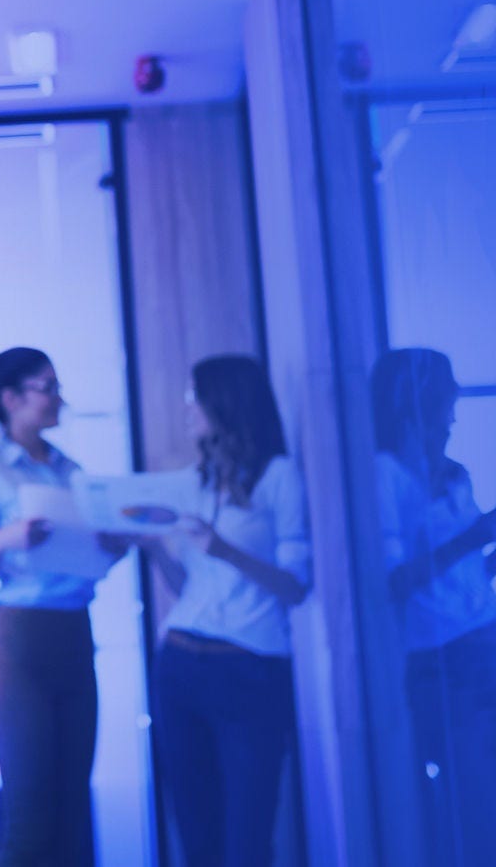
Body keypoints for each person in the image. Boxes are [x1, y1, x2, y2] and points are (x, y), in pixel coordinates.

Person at [0, 347, 129, 867]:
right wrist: (6, 539)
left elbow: (86, 560)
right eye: (48, 387)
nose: (59, 398)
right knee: (29, 825)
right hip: (21, 649)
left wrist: (111, 547)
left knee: (72, 820)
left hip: (76, 639)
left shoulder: (72, 471)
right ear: (11, 399)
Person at [370, 348, 496, 867]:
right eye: (446, 394)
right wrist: (472, 537)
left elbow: (473, 578)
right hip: (445, 659)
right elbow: (396, 582)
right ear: (418, 399)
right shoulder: (386, 476)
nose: (454, 407)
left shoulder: (456, 472)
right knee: (473, 804)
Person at [146, 354, 311, 867]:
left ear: (226, 402)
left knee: (247, 841)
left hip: (249, 670)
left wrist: (226, 550)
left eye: (195, 396)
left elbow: (296, 586)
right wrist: (152, 547)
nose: (187, 407)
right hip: (178, 665)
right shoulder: (196, 482)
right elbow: (189, 587)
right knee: (197, 841)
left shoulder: (279, 477)